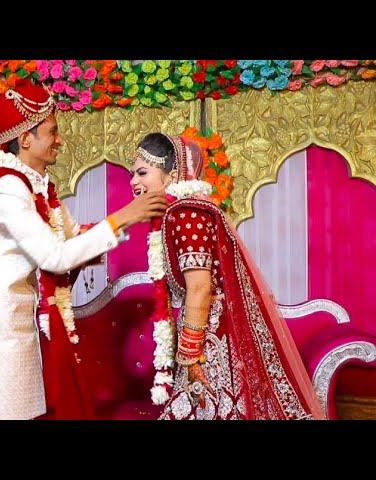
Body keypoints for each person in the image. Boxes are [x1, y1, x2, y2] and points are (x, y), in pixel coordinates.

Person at [0, 79, 168, 420]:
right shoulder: (8, 188)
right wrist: (124, 216)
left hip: (26, 326)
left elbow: (75, 237)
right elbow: (55, 256)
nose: (59, 140)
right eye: (52, 131)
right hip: (3, 332)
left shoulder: (39, 187)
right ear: (24, 139)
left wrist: (128, 221)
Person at [128, 132, 324, 419]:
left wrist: (191, 353)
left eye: (143, 172)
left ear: (171, 175)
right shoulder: (180, 212)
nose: (133, 181)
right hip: (204, 334)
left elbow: (199, 288)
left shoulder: (186, 213)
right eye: (133, 173)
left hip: (211, 340)